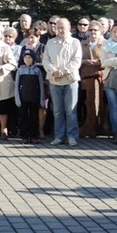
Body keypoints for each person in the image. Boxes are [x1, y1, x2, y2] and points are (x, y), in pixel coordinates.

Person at [43, 18, 82, 146]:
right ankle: (59, 136)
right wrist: (54, 71)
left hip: (70, 81)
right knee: (58, 111)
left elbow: (76, 61)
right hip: (55, 81)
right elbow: (46, 60)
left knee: (71, 110)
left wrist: (63, 71)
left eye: (62, 27)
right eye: (58, 27)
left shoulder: (75, 42)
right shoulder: (50, 43)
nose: (60, 29)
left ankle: (72, 137)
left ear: (69, 27)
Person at [79, 20, 105, 138]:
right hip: (85, 77)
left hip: (99, 76)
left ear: (100, 31)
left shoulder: (105, 44)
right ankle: (89, 127)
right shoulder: (83, 43)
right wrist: (84, 61)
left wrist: (98, 63)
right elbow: (76, 59)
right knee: (88, 102)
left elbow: (110, 60)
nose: (93, 32)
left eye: (95, 30)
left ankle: (93, 127)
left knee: (97, 103)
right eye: (91, 30)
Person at [14, 49, 45, 144]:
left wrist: (42, 99)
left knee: (34, 118)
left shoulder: (37, 71)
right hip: (23, 98)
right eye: (25, 57)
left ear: (33, 59)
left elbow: (41, 85)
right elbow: (17, 85)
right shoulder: (20, 70)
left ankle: (34, 135)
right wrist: (17, 99)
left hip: (34, 98)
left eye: (30, 57)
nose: (27, 60)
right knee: (23, 117)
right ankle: (24, 135)